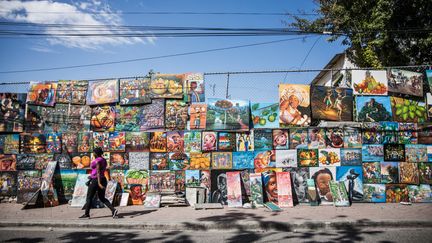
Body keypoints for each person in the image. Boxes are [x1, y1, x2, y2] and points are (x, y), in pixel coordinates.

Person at [79, 147, 118, 219]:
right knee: (102, 198)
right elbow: (101, 171)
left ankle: (86, 214)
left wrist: (99, 183)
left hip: (96, 181)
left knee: (89, 197)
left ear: (96, 153)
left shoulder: (97, 161)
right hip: (102, 179)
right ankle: (113, 210)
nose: (93, 153)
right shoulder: (104, 160)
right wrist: (92, 176)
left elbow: (98, 172)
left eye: (93, 152)